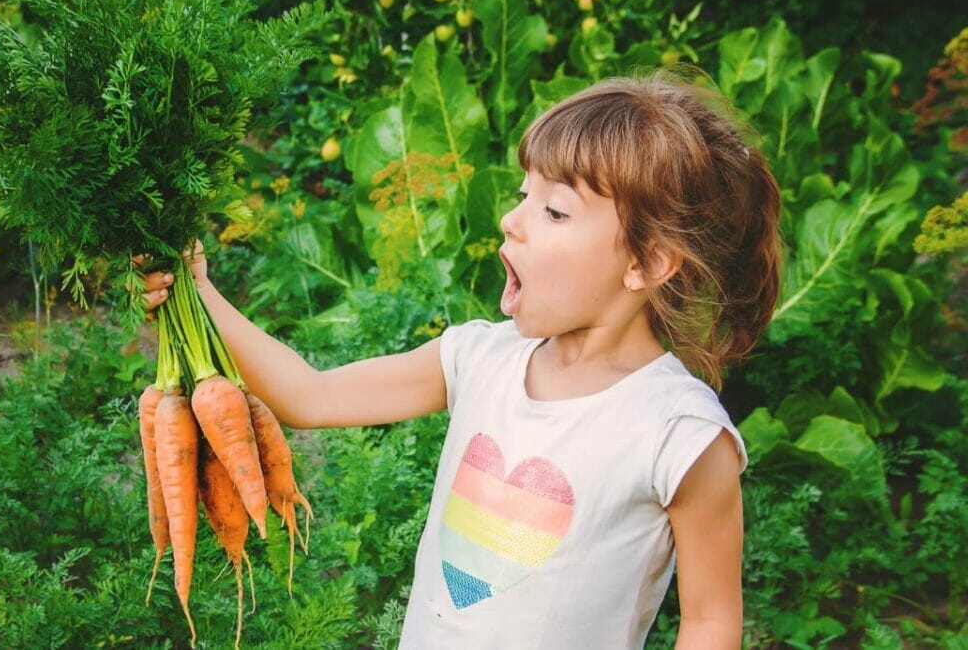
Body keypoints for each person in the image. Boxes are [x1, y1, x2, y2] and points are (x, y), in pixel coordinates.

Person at [142, 69, 781, 649]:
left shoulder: (678, 436)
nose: (511, 220)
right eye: (523, 195)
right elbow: (312, 396)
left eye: (554, 210)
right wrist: (199, 290)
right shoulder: (482, 357)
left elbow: (710, 620)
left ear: (646, 263)